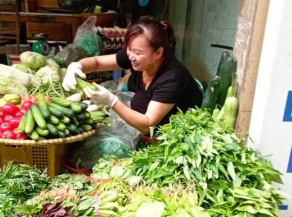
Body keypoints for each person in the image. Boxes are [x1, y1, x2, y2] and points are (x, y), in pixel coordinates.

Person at [62, 19, 203, 135]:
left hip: (180, 129)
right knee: (138, 100)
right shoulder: (134, 56)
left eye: (138, 52)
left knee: (139, 101)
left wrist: (111, 101)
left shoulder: (172, 77)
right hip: (151, 120)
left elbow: (148, 124)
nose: (131, 56)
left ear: (158, 53)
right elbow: (98, 63)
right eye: (129, 49)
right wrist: (76, 66)